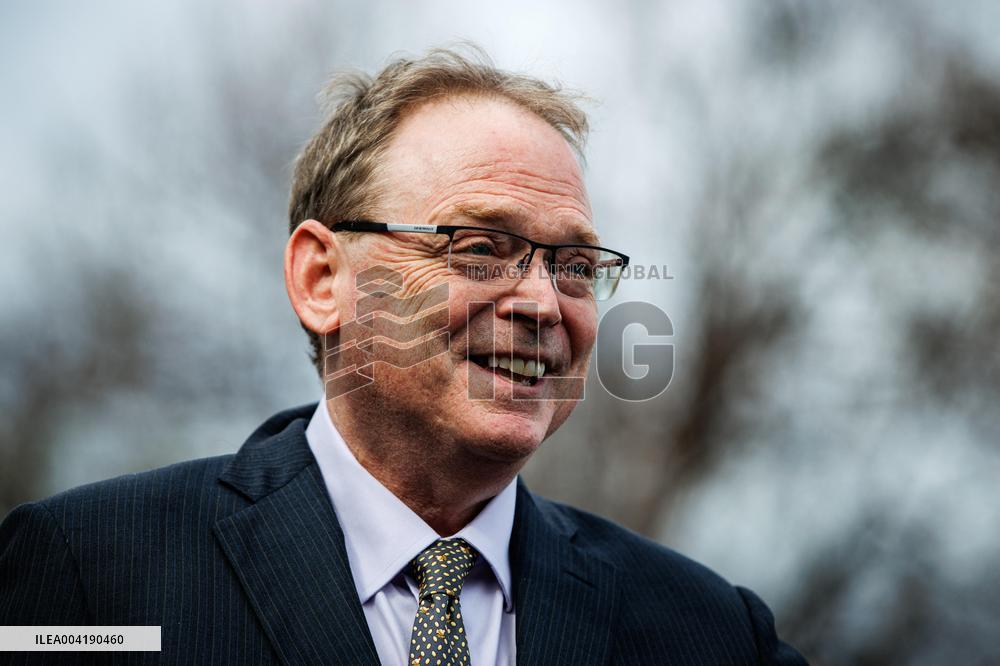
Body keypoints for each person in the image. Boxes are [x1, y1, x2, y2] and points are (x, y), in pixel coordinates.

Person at [0, 47, 807, 665]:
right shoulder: (91, 578)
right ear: (323, 279)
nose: (540, 303)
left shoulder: (711, 633)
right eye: (481, 246)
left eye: (574, 267)